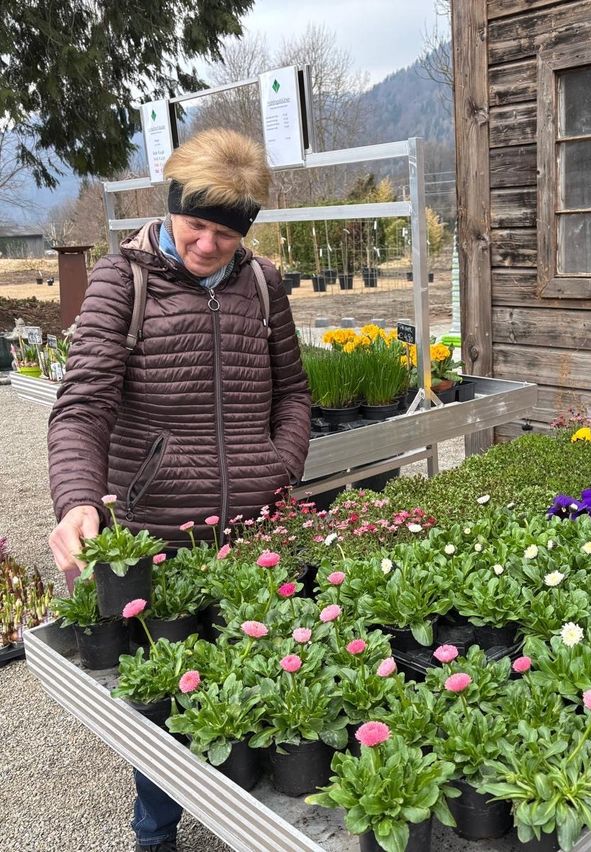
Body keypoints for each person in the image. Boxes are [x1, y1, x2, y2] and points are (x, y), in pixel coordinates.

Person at [47, 128, 312, 852]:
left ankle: (249, 825)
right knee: (164, 696)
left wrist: (278, 465)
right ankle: (155, 832)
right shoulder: (121, 280)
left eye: (227, 233)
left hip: (256, 531)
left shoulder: (261, 284)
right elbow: (84, 406)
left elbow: (293, 392)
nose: (207, 246)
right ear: (170, 207)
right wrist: (78, 499)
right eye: (197, 226)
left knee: (257, 684)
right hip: (159, 531)